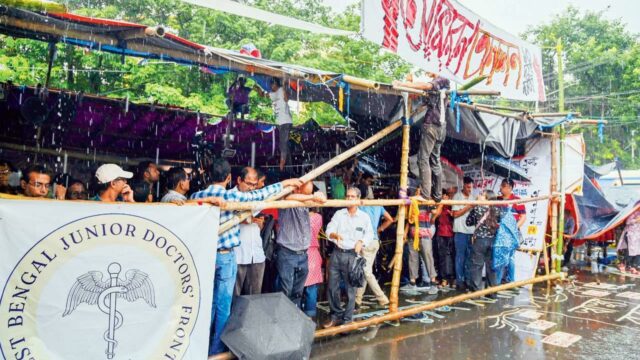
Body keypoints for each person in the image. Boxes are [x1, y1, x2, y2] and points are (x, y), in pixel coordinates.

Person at [189, 158, 301, 355]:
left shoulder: (196, 195)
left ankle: (200, 345)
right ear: (231, 178)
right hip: (226, 257)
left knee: (207, 302)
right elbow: (261, 194)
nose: (251, 187)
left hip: (204, 257)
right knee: (224, 305)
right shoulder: (230, 198)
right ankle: (216, 350)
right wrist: (284, 183)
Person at [393, 72, 450, 202]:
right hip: (441, 127)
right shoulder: (445, 86)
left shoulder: (442, 79)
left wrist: (402, 84)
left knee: (423, 159)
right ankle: (437, 195)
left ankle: (425, 194)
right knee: (435, 160)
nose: (427, 73)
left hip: (432, 126)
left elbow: (426, 85)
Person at [323, 187, 374, 328]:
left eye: (352, 197)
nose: (349, 199)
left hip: (352, 255)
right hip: (337, 253)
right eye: (347, 196)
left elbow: (370, 234)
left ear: (358, 199)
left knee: (350, 289)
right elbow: (329, 229)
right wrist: (333, 235)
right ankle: (335, 316)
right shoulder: (339, 214)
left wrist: (361, 241)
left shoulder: (364, 217)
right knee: (332, 287)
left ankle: (347, 319)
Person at [276, 181, 327, 309]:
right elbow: (287, 197)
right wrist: (311, 197)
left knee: (298, 292)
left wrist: (318, 195)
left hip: (303, 255)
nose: (308, 196)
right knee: (285, 291)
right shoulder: (287, 201)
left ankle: (294, 317)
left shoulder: (305, 205)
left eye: (309, 194)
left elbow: (320, 198)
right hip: (288, 254)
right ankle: (284, 319)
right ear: (297, 190)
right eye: (305, 193)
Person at [234, 167, 269, 296]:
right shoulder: (230, 196)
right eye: (249, 184)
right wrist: (245, 219)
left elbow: (256, 224)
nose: (252, 188)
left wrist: (260, 224)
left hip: (257, 254)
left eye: (254, 184)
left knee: (254, 299)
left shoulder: (259, 197)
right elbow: (234, 217)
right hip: (238, 255)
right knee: (234, 299)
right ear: (239, 180)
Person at [465, 190, 502, 294]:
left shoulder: (477, 208)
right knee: (491, 267)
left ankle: (476, 292)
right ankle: (492, 292)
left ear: (487, 198)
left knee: (477, 266)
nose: (479, 196)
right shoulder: (497, 209)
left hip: (479, 241)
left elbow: (468, 222)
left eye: (482, 195)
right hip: (493, 241)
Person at [356, 204, 394, 307]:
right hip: (375, 241)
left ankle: (382, 298)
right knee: (365, 270)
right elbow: (390, 219)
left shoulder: (360, 205)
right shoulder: (378, 206)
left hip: (365, 242)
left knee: (366, 272)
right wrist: (379, 229)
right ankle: (357, 299)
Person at [403, 188, 438, 291]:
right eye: (417, 192)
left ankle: (433, 283)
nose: (418, 194)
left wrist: (428, 203)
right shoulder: (412, 204)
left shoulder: (427, 203)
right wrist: (405, 233)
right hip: (412, 235)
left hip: (424, 234)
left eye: (420, 193)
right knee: (412, 258)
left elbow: (435, 211)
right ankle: (412, 282)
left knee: (428, 257)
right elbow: (409, 221)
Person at [256, 78, 293, 171]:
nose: (271, 88)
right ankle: (287, 165)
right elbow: (263, 95)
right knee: (283, 144)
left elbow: (286, 98)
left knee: (283, 144)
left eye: (272, 86)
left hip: (285, 122)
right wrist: (257, 89)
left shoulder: (281, 90)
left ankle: (282, 164)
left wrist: (284, 86)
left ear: (275, 84)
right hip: (280, 123)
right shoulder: (273, 94)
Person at [498, 178, 526, 283]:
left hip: (511, 234)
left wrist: (513, 229)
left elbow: (523, 217)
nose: (500, 188)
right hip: (499, 233)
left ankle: (510, 281)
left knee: (510, 258)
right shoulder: (497, 199)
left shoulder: (517, 200)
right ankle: (501, 280)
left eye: (503, 186)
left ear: (509, 188)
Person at [451, 177, 476, 290]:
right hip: (460, 232)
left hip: (471, 232)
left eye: (471, 187)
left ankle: (467, 280)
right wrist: (468, 207)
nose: (470, 189)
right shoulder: (457, 197)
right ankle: (460, 281)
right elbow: (455, 214)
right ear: (463, 185)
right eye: (468, 187)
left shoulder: (473, 197)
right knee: (460, 257)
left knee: (469, 258)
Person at [302, 209, 323, 318]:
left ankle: (300, 311)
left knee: (300, 286)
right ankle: (310, 314)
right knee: (311, 287)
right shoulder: (318, 217)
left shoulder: (300, 216)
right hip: (314, 253)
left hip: (302, 252)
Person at [432, 188, 455, 286]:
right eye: (442, 196)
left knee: (452, 256)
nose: (443, 197)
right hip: (441, 233)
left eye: (445, 195)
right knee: (441, 256)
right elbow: (435, 215)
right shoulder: (438, 206)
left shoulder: (451, 204)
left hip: (451, 233)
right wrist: (440, 204)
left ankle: (452, 278)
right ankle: (443, 278)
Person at [617, 209, 640, 274]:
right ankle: (625, 265)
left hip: (638, 235)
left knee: (638, 251)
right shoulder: (634, 212)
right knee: (630, 251)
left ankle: (634, 266)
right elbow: (627, 221)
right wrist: (636, 220)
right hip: (631, 234)